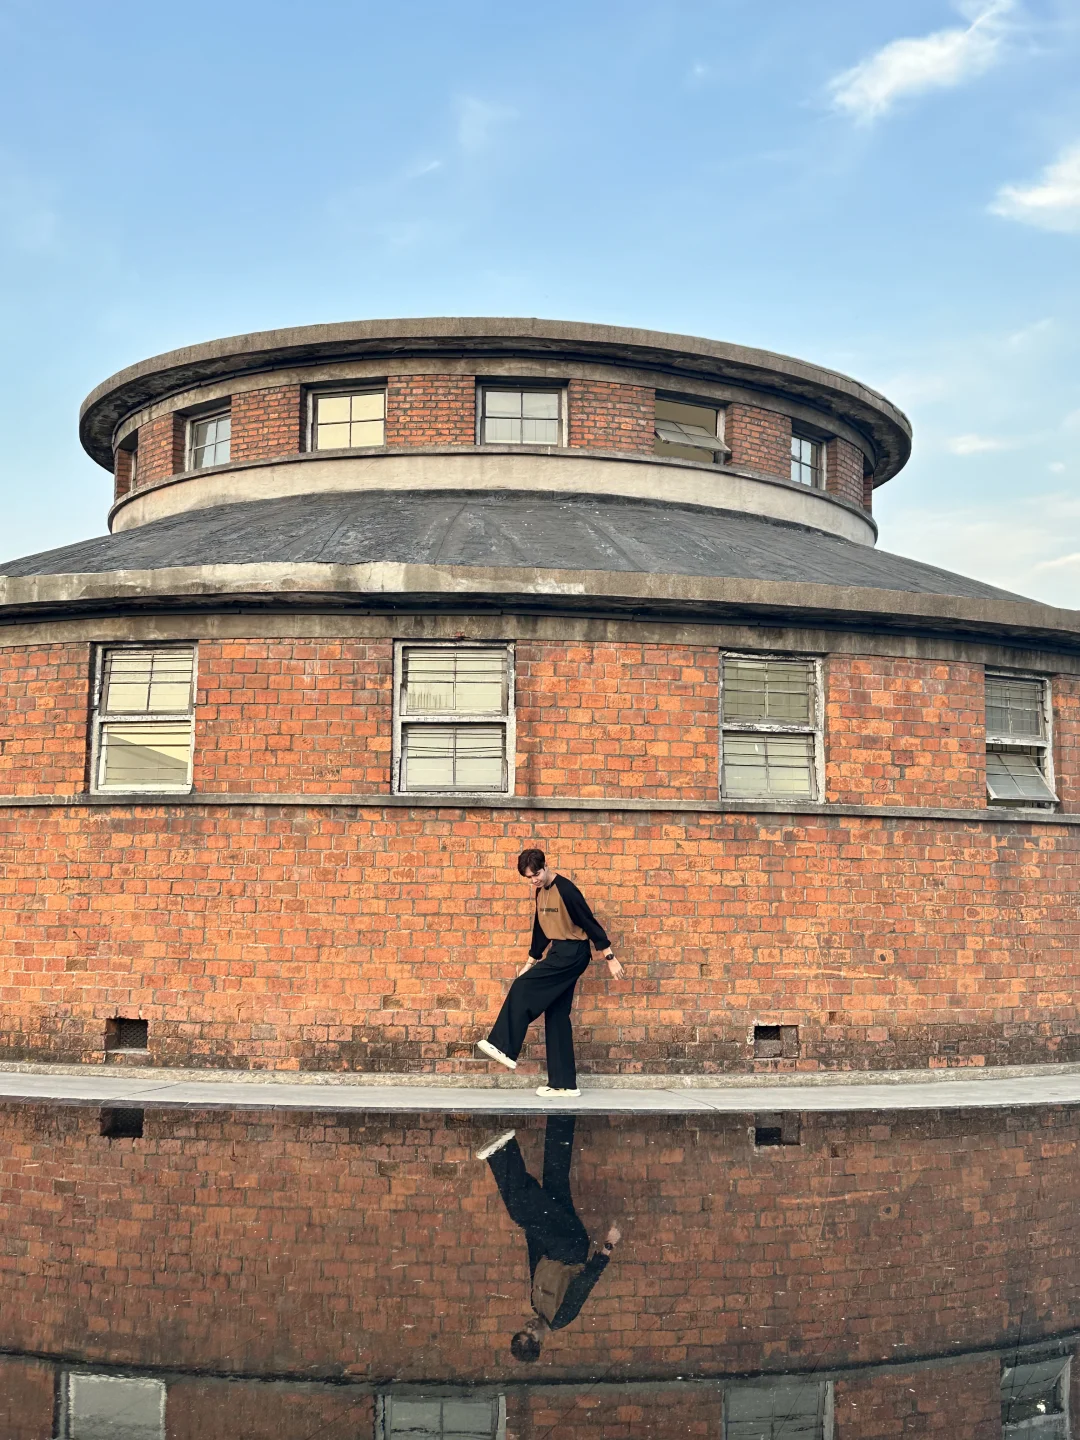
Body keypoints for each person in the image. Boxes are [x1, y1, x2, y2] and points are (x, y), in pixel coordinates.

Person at [477, 848, 623, 1097]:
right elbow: (540, 930)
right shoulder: (540, 892)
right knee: (556, 1015)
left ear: (545, 867)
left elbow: (589, 922)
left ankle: (503, 1046)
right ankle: (564, 1084)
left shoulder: (566, 890)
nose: (533, 880)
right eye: (529, 877)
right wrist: (530, 962)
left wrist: (609, 957)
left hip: (573, 953)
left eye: (536, 874)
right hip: (558, 951)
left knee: (522, 987)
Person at [475, 1117, 621, 1362]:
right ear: (540, 1342)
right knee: (519, 1210)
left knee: (555, 1175)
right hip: (570, 1246)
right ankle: (502, 1151)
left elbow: (536, 1261)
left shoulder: (535, 1304)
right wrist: (608, 1246)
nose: (529, 1327)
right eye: (531, 1335)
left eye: (523, 1330)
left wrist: (531, 1230)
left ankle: (561, 1115)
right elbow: (585, 1283)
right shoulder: (562, 1316)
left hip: (553, 1243)